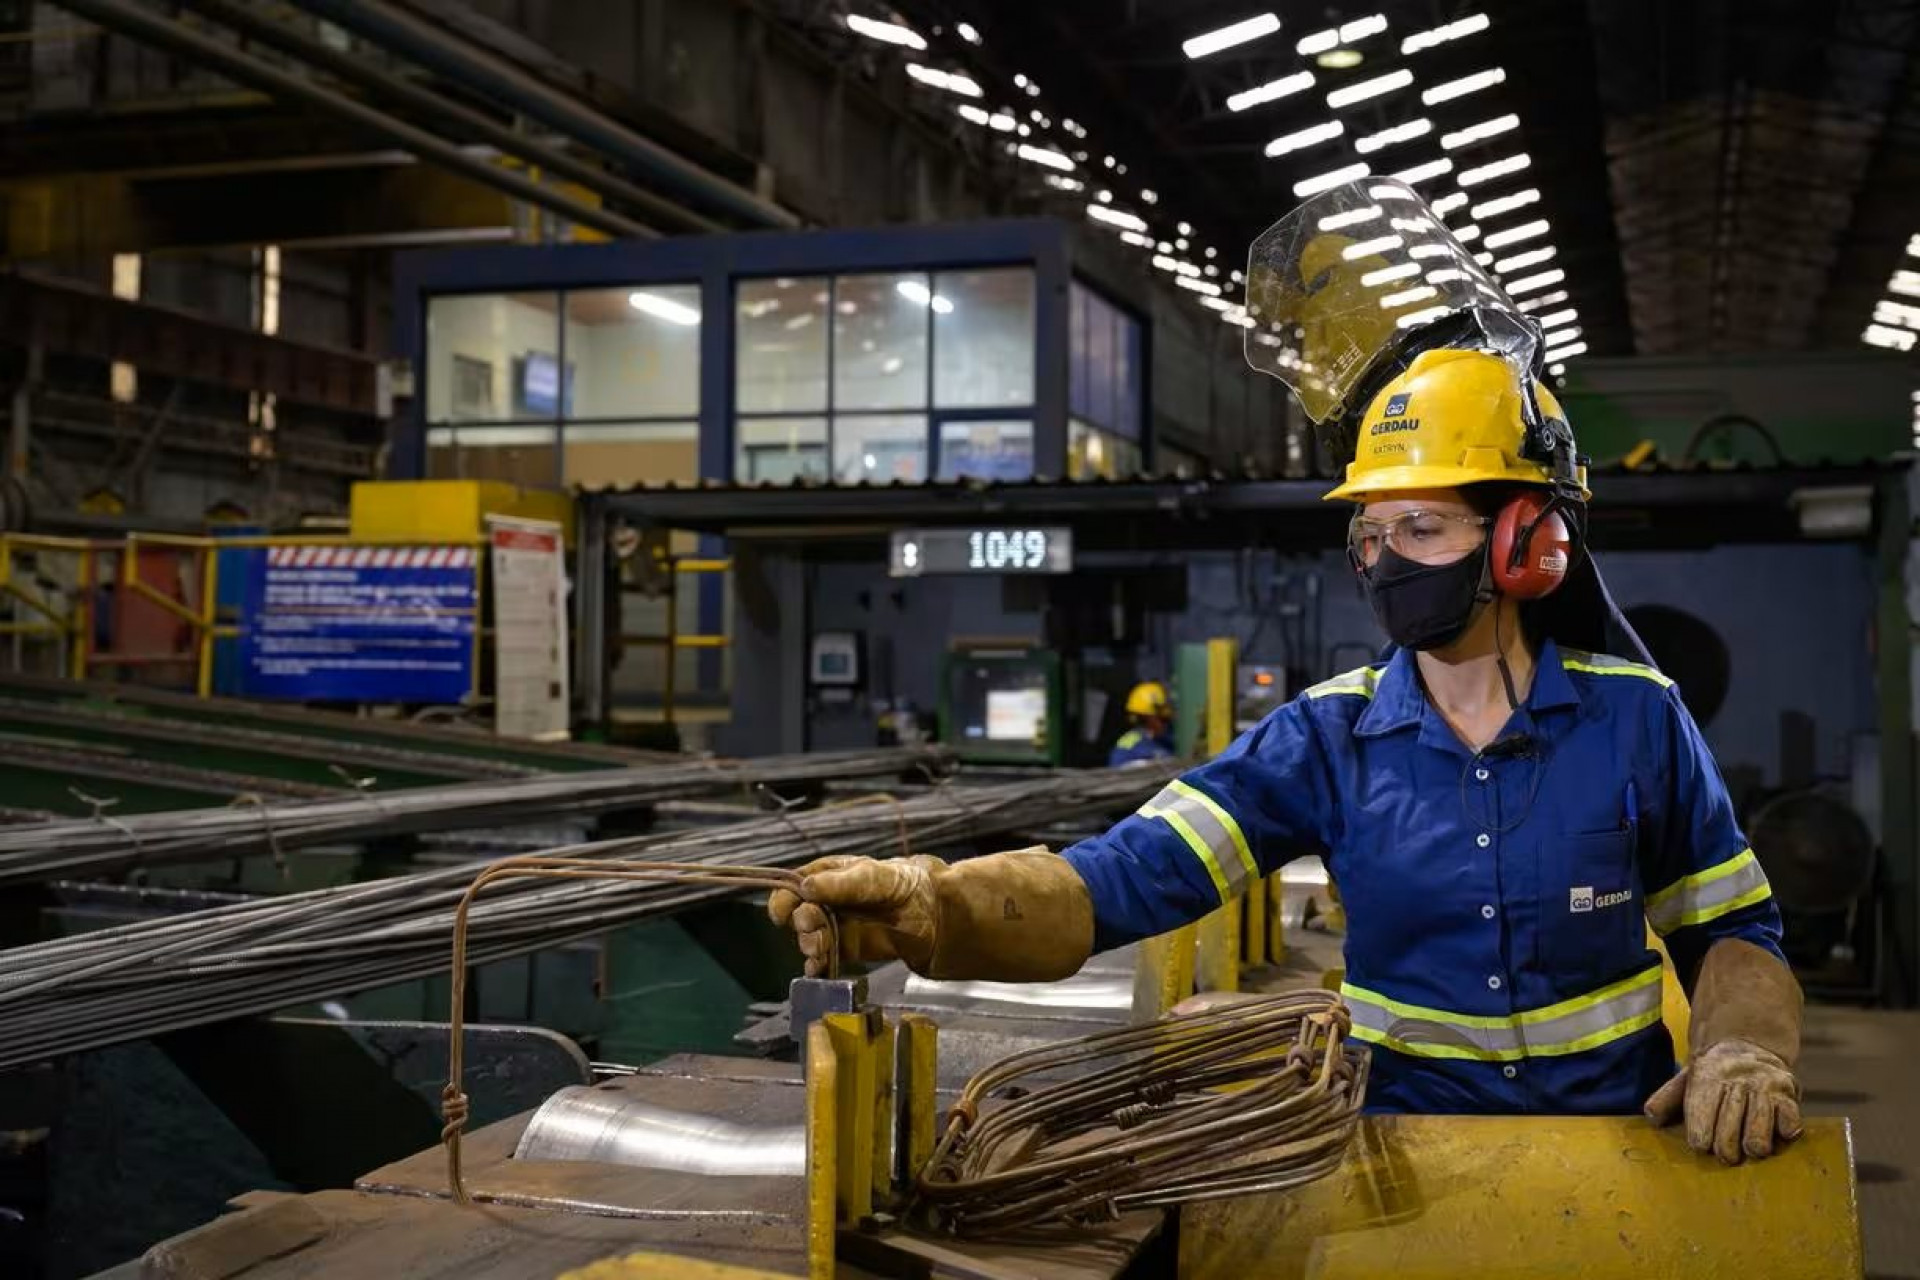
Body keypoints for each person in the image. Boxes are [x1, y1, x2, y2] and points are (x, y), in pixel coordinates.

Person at [770, 344, 1803, 1166]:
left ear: (1521, 540)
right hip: (1398, 1160)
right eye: (1371, 532)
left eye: (1422, 526)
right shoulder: (1324, 738)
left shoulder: (1639, 719)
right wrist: (938, 908)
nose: (1386, 559)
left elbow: (1731, 924)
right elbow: (1129, 875)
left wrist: (1743, 1044)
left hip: (1619, 1158)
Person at [1109, 681, 1176, 767]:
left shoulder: (1168, 740)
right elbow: (1117, 771)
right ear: (1145, 718)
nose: (1166, 724)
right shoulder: (1127, 747)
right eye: (1163, 719)